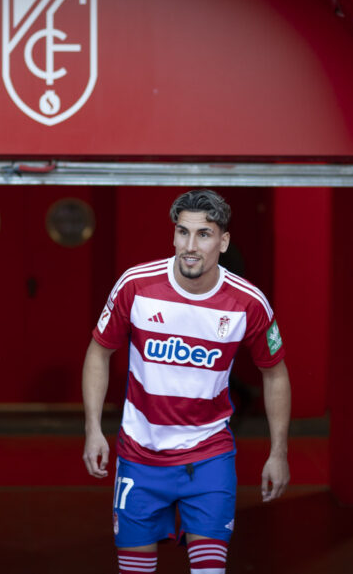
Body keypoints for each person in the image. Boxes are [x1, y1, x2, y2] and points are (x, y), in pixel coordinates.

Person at [82, 189, 291, 574]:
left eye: (204, 234)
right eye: (183, 232)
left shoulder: (248, 302)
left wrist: (278, 452)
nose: (190, 246)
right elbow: (99, 351)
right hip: (140, 456)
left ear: (223, 241)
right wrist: (93, 428)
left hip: (208, 456)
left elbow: (274, 373)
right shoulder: (136, 285)